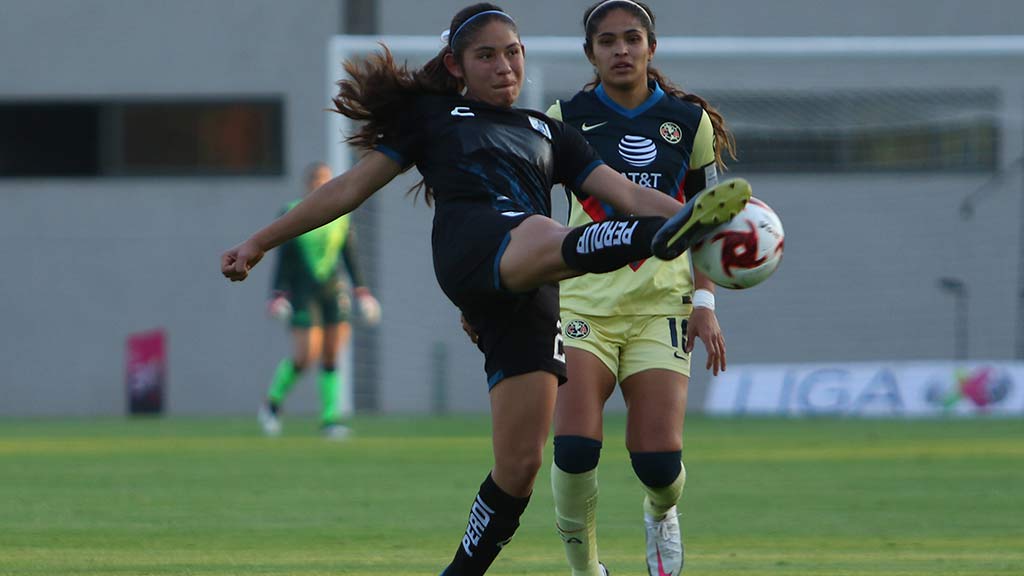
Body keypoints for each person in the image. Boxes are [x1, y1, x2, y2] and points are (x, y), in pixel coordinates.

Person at [221, 4, 749, 574]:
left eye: (513, 52)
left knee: (519, 467)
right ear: (456, 65)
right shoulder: (434, 117)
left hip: (528, 288)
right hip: (475, 244)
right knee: (550, 231)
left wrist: (712, 220)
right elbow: (347, 189)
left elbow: (629, 193)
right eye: (487, 55)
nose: (505, 66)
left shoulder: (552, 133)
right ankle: (657, 240)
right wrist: (259, 242)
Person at [545, 2, 737, 575]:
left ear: (652, 47)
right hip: (582, 303)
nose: (621, 50)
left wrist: (705, 302)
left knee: (657, 462)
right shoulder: (564, 117)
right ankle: (586, 570)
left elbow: (707, 220)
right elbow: (535, 215)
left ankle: (661, 512)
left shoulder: (689, 121)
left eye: (632, 39)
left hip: (662, 308)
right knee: (575, 449)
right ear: (590, 54)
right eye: (607, 42)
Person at [257, 162, 381, 439]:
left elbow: (350, 255)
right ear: (307, 184)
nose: (320, 184)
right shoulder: (291, 212)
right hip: (302, 292)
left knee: (332, 352)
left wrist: (362, 291)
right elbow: (283, 258)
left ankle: (330, 418)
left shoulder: (341, 216)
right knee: (305, 356)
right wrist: (276, 295)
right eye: (315, 179)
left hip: (332, 290)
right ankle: (272, 405)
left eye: (325, 179)